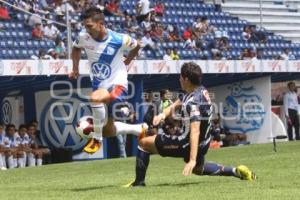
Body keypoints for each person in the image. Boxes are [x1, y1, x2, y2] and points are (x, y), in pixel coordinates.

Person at [124, 62, 256, 187]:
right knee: (198, 170)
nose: (179, 79)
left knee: (144, 144)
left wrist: (192, 160)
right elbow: (177, 103)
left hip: (187, 143)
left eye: (180, 77)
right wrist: (162, 115)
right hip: (204, 143)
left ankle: (139, 183)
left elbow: (195, 131)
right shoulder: (201, 91)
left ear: (186, 79)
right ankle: (235, 171)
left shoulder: (192, 103)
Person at [69, 7, 148, 154]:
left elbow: (137, 45)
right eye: (85, 26)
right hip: (99, 84)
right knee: (109, 131)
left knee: (95, 99)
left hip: (117, 83)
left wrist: (128, 59)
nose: (87, 29)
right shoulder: (83, 37)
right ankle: (139, 128)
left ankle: (97, 139)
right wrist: (75, 68)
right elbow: (76, 48)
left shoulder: (118, 39)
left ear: (100, 23)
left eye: (90, 26)